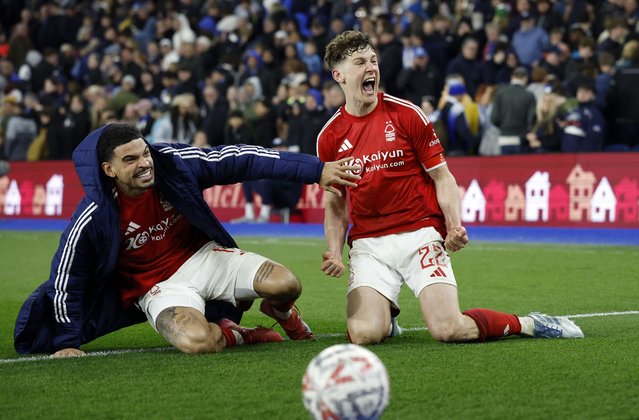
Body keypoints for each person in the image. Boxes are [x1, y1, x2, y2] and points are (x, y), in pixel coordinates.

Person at [317, 30, 584, 346]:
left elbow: (443, 177)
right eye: (360, 62)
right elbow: (335, 203)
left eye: (373, 60)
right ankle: (385, 315)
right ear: (339, 75)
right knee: (364, 335)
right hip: (369, 244)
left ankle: (528, 323)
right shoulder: (330, 136)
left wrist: (453, 224)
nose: (371, 68)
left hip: (420, 233)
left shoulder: (407, 115)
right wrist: (334, 251)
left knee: (449, 329)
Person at [14, 123, 360, 357]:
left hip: (205, 257)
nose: (145, 164)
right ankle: (243, 333)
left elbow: (243, 159)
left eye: (144, 153)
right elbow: (65, 280)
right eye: (130, 160)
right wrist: (67, 342)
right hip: (157, 289)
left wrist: (314, 170)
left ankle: (281, 311)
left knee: (287, 283)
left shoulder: (174, 165)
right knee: (198, 342)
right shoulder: (93, 216)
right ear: (109, 170)